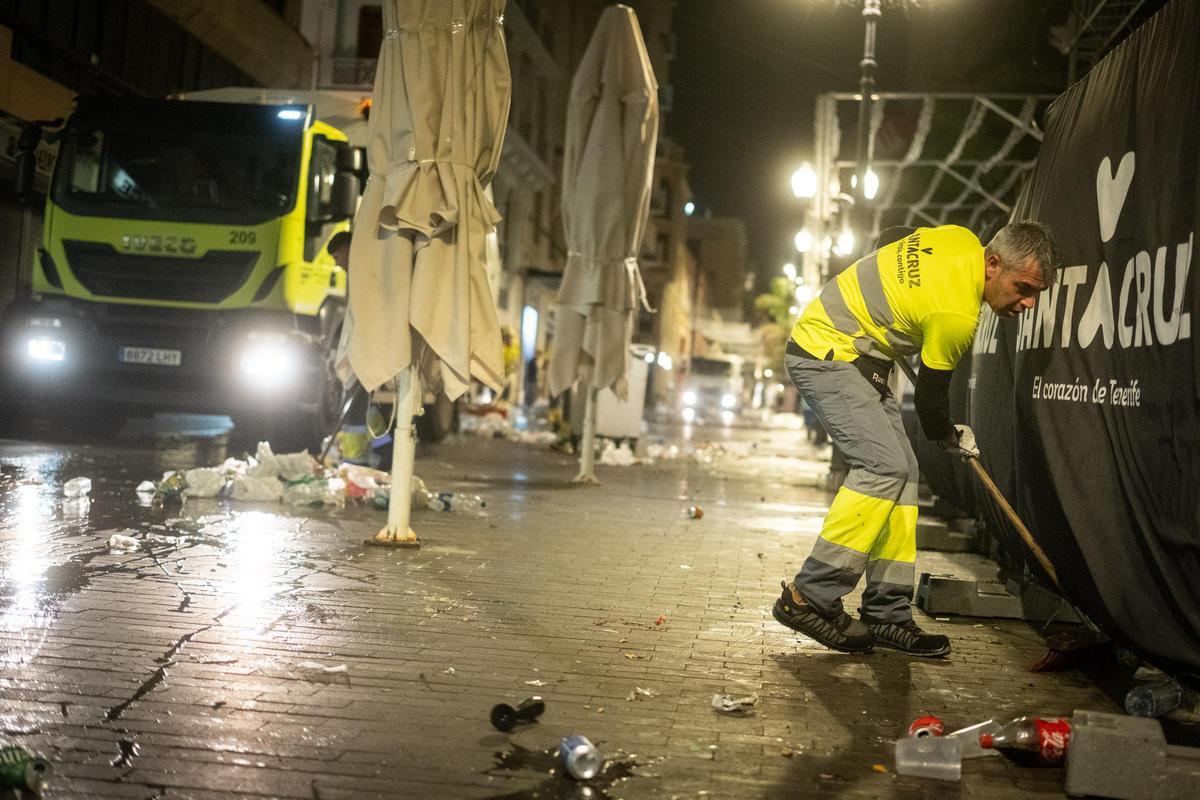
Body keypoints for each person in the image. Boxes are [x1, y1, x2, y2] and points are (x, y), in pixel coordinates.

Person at [772, 221, 1058, 657]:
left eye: (1035, 292)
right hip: (828, 353)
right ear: (993, 264)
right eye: (1023, 287)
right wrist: (950, 435)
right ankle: (808, 597)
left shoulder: (961, 239)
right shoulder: (957, 314)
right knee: (883, 467)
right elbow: (929, 404)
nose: (1029, 302)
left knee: (903, 474)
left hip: (860, 359)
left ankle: (886, 611)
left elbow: (892, 235)